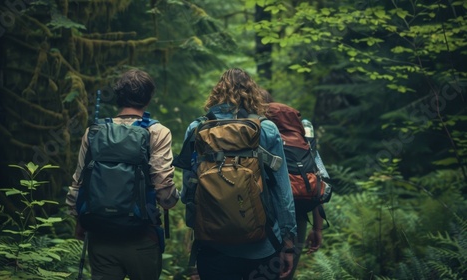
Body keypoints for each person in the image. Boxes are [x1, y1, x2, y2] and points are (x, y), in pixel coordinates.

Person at [180, 68, 297, 280]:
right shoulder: (267, 129)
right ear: (252, 92)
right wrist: (289, 243)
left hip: (213, 246)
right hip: (264, 245)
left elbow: (188, 190)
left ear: (217, 92)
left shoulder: (197, 128)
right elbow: (282, 191)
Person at [66, 69, 179, 280]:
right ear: (148, 98)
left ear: (119, 96)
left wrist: (79, 219)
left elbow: (80, 181)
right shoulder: (157, 132)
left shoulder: (95, 131)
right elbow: (163, 186)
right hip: (142, 235)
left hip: (100, 234)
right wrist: (171, 202)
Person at [261, 89, 325, 280]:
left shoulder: (254, 131)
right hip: (298, 219)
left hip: (261, 221)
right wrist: (318, 228)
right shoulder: (300, 138)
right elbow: (317, 178)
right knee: (284, 275)